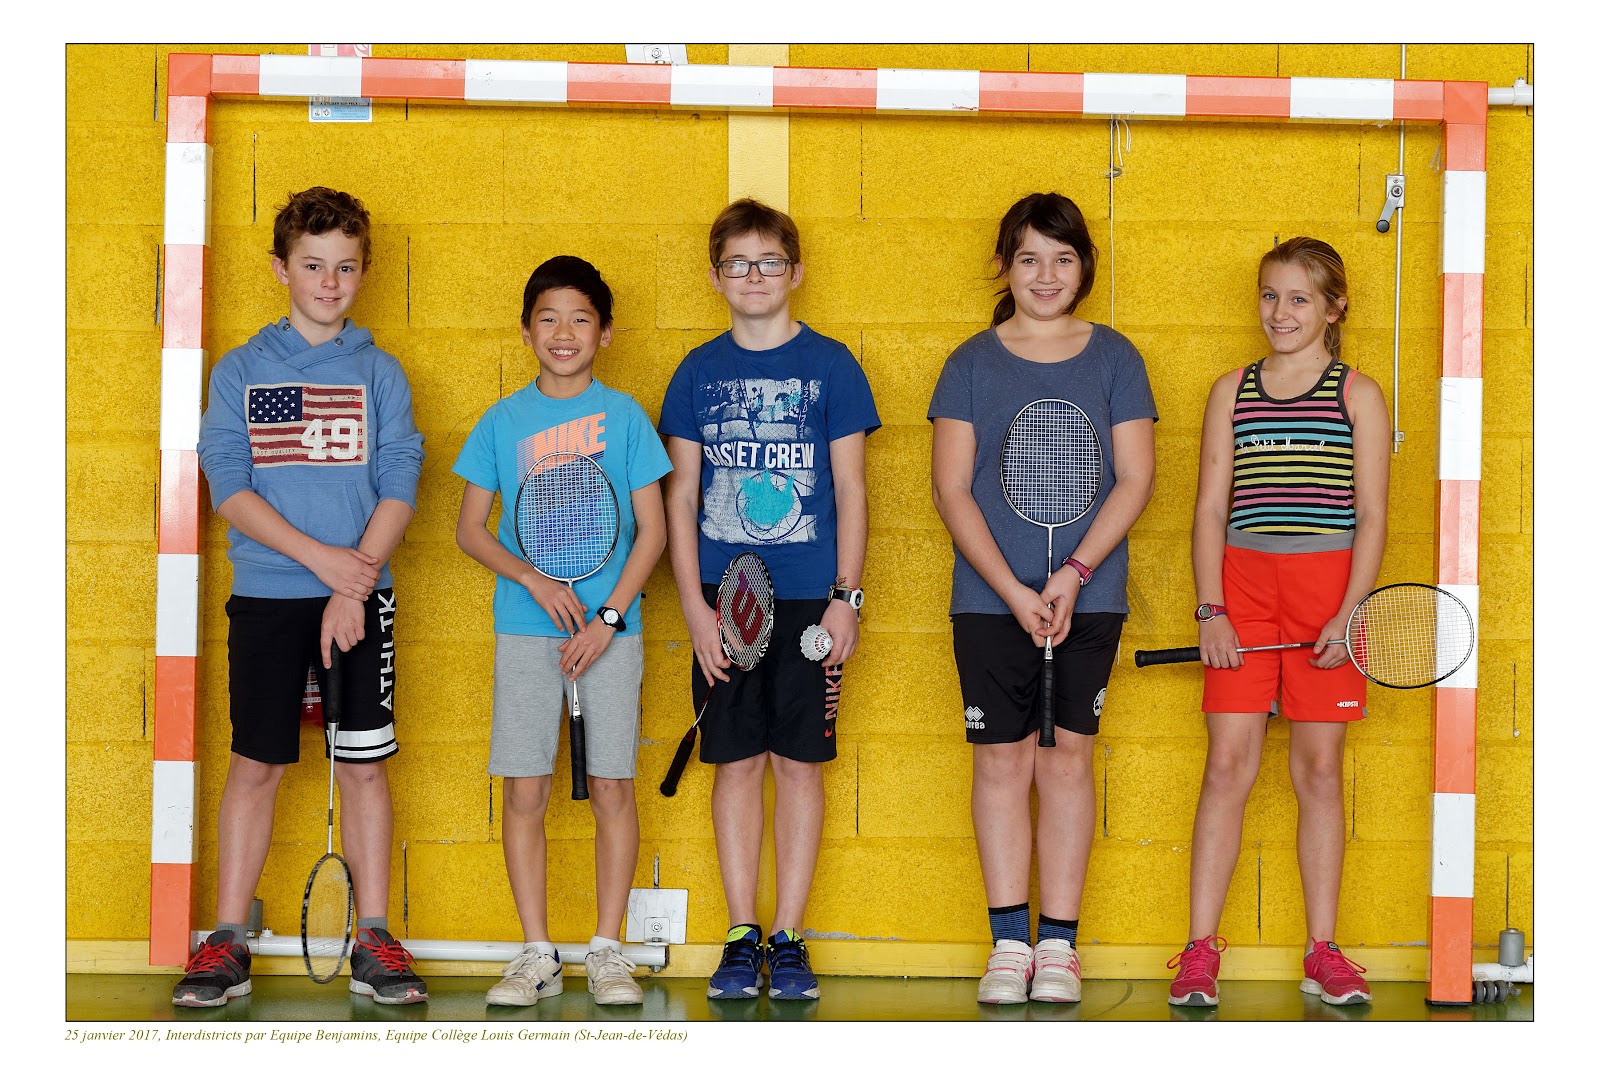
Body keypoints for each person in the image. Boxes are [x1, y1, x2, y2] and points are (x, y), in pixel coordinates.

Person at [178, 187, 427, 1007]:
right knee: (256, 762)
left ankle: (376, 937)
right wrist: (330, 566)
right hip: (273, 595)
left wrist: (357, 581)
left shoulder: (380, 371)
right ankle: (224, 941)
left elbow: (399, 483)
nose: (330, 281)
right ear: (283, 269)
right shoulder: (241, 369)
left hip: (361, 595)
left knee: (362, 770)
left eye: (346, 267)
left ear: (363, 272)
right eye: (314, 266)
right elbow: (229, 486)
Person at [929, 192, 1156, 1005]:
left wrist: (1072, 575)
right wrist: (1016, 590)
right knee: (1001, 763)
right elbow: (952, 491)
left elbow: (1136, 479)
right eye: (1029, 258)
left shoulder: (1116, 358)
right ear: (1005, 267)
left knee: (1066, 764)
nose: (1046, 274)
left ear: (1084, 267)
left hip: (1086, 599)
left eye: (1062, 258)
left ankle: (1058, 946)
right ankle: (1008, 943)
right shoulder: (970, 362)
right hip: (991, 605)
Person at [659, 199, 879, 1001]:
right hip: (726, 604)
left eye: (770, 263)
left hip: (809, 606)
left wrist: (846, 596)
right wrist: (693, 608)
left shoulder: (832, 365)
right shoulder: (696, 372)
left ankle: (788, 937)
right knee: (736, 765)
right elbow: (681, 498)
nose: (754, 277)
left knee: (799, 766)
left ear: (796, 273)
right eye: (738, 264)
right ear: (716, 276)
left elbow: (851, 488)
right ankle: (741, 930)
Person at [1166, 237, 1389, 1009]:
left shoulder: (1357, 393)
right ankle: (1199, 950)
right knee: (1227, 766)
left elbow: (1371, 514)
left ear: (1334, 307)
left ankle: (1323, 950)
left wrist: (1350, 611)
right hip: (1244, 591)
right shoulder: (1232, 390)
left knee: (1319, 771)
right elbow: (1208, 508)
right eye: (1269, 295)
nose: (1280, 311)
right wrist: (1211, 607)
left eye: (1298, 298)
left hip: (1329, 593)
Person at [453, 256, 671, 1007]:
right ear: (525, 330)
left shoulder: (627, 417)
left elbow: (654, 530)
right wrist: (534, 579)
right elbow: (469, 529)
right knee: (525, 786)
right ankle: (537, 951)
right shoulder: (501, 421)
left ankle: (608, 949)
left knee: (612, 781)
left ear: (605, 333)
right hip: (526, 628)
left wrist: (609, 616)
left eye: (581, 317)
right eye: (548, 317)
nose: (564, 332)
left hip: (611, 633)